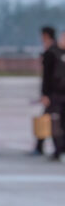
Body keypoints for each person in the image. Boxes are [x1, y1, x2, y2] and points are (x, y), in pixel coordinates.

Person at [35, 26, 62, 161]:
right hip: (56, 94)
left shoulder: (52, 53)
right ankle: (40, 146)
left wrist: (45, 94)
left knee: (54, 121)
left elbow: (47, 77)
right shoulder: (56, 52)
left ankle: (56, 149)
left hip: (55, 95)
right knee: (51, 119)